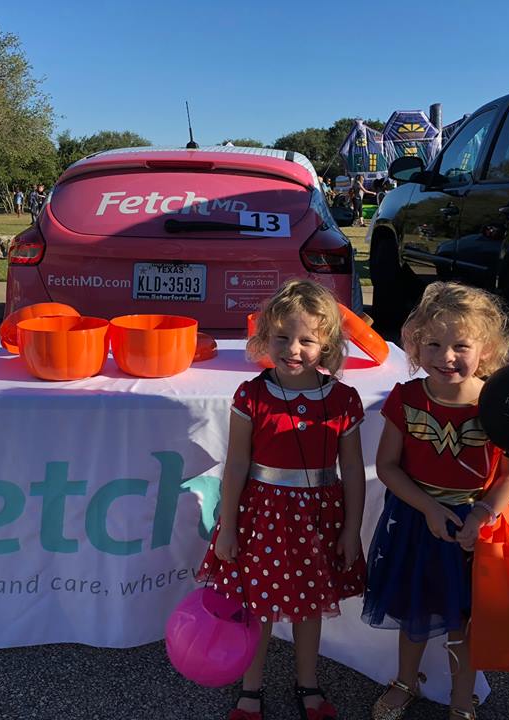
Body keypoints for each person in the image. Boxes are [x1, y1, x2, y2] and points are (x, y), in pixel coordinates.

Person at [196, 279, 367, 720]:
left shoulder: (344, 400)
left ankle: (307, 683)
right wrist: (228, 527)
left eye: (307, 339)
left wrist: (351, 530)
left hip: (318, 519)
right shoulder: (252, 395)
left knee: (310, 606)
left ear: (326, 343)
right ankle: (250, 687)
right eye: (283, 337)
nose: (294, 349)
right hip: (262, 517)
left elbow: (352, 471)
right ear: (264, 338)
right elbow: (235, 465)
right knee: (258, 606)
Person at [362, 282, 509, 720]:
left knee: (465, 620)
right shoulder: (407, 398)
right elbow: (389, 467)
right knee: (413, 609)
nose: (445, 356)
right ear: (415, 345)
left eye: (460, 345)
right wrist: (429, 508)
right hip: (417, 521)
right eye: (432, 344)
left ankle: (461, 698)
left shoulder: (501, 405)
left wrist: (481, 513)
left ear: (486, 348)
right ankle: (405, 681)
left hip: (474, 529)